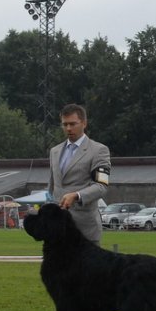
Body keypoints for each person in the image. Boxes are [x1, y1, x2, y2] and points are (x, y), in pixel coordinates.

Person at [48, 103, 111, 245]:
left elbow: (101, 186)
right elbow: (52, 188)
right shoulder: (54, 151)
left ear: (84, 123)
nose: (68, 128)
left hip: (85, 230)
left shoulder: (99, 150)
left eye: (72, 124)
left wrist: (77, 195)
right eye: (64, 124)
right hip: (58, 230)